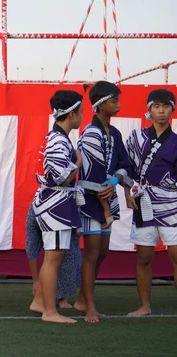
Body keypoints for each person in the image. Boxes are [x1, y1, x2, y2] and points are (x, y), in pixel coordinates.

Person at [73, 81, 133, 323]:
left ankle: (81, 298)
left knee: (103, 252)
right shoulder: (90, 133)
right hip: (90, 200)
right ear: (100, 105)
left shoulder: (115, 133)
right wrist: (106, 189)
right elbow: (92, 172)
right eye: (114, 101)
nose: (118, 104)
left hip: (106, 196)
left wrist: (116, 182)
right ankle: (89, 307)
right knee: (92, 253)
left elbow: (125, 165)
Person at [29, 90, 84, 324]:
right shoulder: (58, 140)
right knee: (53, 258)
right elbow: (62, 177)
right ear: (72, 114)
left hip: (53, 202)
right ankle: (49, 311)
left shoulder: (55, 138)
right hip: (55, 204)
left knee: (54, 257)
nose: (82, 116)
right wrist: (77, 163)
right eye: (81, 112)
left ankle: (41, 301)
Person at [126, 89, 177, 317]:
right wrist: (127, 191)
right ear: (149, 109)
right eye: (156, 106)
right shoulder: (136, 138)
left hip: (171, 204)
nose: (161, 111)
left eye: (165, 106)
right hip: (143, 203)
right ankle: (144, 306)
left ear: (172, 110)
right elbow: (125, 169)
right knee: (144, 256)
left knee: (176, 254)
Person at [25, 205, 81, 307]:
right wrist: (35, 280)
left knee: (65, 249)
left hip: (63, 207)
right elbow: (31, 246)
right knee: (38, 247)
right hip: (49, 207)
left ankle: (61, 296)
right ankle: (43, 293)